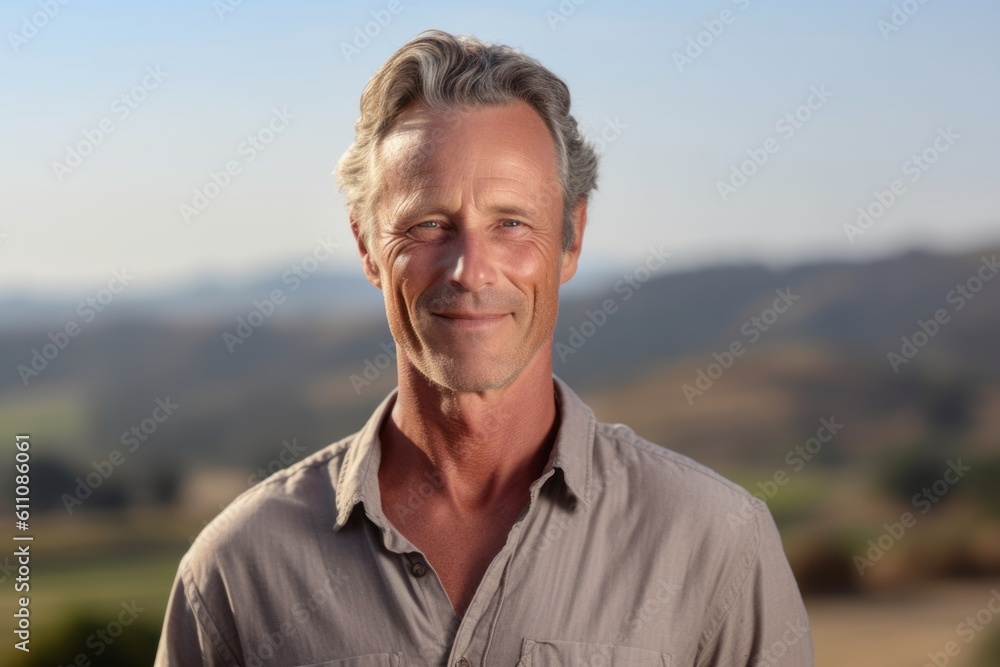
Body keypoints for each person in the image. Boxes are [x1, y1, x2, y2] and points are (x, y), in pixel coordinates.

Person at [155, 29, 813, 667]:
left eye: (511, 223)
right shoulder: (237, 572)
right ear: (365, 245)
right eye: (428, 224)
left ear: (571, 238)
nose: (471, 268)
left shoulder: (717, 545)